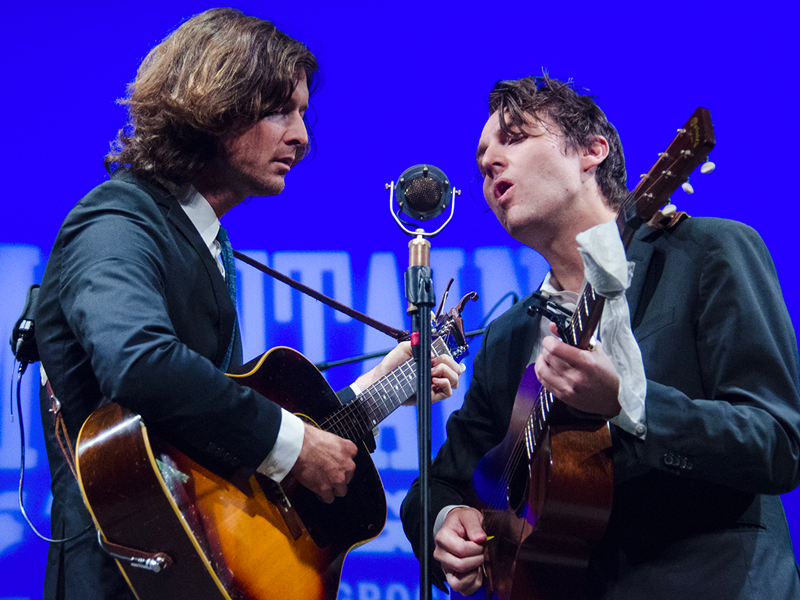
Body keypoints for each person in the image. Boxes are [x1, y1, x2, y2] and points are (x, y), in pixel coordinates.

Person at [35, 8, 463, 600]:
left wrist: (375, 392)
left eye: (304, 114)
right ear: (214, 106)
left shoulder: (207, 240)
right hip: (125, 581)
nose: (302, 136)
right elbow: (137, 361)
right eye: (279, 111)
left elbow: (211, 446)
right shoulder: (117, 220)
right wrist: (292, 447)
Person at [401, 75, 800, 599]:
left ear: (592, 152)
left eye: (514, 139)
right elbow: (437, 486)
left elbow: (779, 443)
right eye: (482, 161)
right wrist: (446, 521)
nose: (489, 162)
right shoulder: (508, 337)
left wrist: (629, 404)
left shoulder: (709, 254)